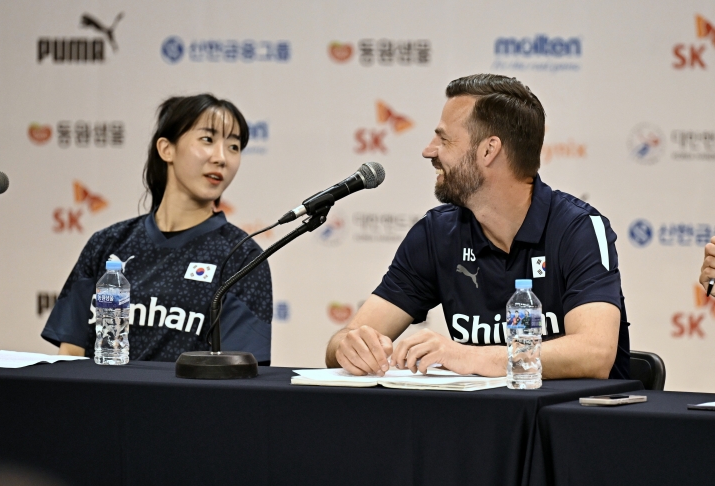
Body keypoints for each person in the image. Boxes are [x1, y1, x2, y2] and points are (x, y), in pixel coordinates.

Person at [326, 74, 629, 379]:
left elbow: (595, 354)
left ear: (488, 150)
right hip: (482, 423)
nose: (429, 151)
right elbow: (343, 342)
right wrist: (349, 348)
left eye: (444, 139)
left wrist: (471, 357)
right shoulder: (436, 234)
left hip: (573, 422)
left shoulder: (579, 229)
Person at [42, 94, 272, 364]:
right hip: (98, 403)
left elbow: (238, 372)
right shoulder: (108, 244)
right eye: (208, 140)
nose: (222, 158)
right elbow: (70, 353)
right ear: (166, 149)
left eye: (234, 146)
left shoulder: (242, 257)